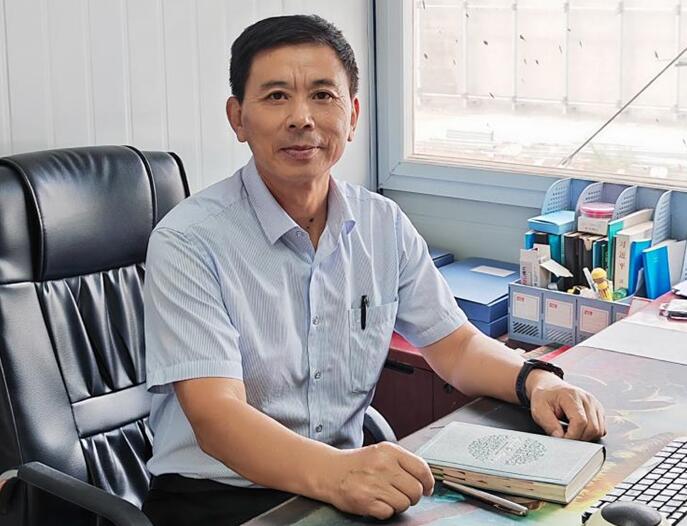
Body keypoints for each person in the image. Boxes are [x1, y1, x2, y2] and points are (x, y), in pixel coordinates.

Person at [141, 14, 606, 526]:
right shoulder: (188, 241)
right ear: (238, 118)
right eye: (276, 96)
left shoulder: (382, 224)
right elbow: (216, 417)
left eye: (323, 95)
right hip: (216, 496)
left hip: (340, 483)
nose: (301, 118)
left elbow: (455, 346)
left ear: (353, 115)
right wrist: (337, 474)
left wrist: (536, 382)